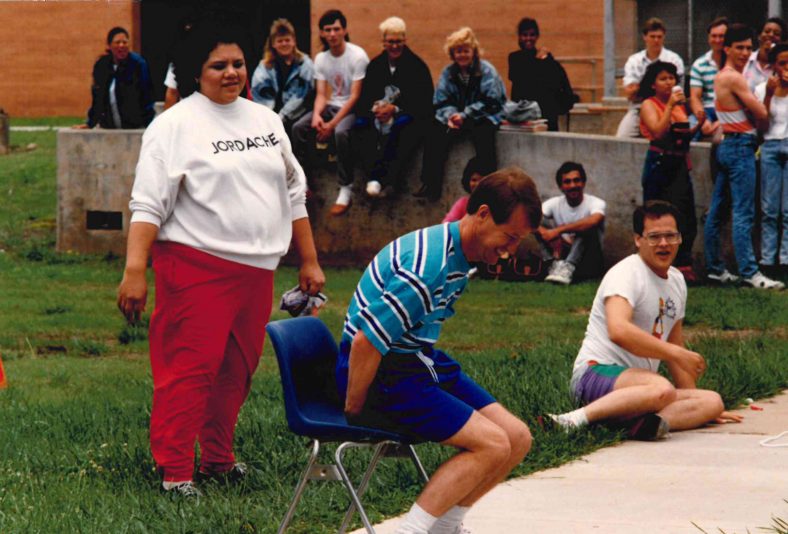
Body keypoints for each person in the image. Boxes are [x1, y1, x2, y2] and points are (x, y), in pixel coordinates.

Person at [117, 17, 326, 497]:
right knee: (189, 371)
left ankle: (217, 459)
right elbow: (148, 205)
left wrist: (309, 260)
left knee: (236, 371)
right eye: (218, 66)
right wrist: (134, 271)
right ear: (195, 71)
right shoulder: (172, 127)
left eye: (238, 63)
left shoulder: (265, 120)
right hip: (194, 268)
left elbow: (294, 193)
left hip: (257, 272)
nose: (231, 73)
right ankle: (176, 472)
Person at [338, 168, 539, 534]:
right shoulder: (428, 267)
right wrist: (355, 408)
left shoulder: (461, 252)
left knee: (517, 438)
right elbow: (366, 342)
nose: (511, 252)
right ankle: (410, 531)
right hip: (382, 369)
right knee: (493, 444)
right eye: (509, 237)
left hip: (414, 358)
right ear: (481, 215)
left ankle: (446, 526)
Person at [548, 201, 742, 438]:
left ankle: (640, 425)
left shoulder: (677, 281)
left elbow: (676, 344)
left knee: (711, 401)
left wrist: (696, 406)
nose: (663, 244)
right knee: (661, 388)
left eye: (670, 236)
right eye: (654, 236)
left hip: (640, 387)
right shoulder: (627, 273)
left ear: (680, 238)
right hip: (595, 374)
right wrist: (675, 353)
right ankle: (574, 419)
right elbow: (618, 330)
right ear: (638, 239)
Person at [705, 24, 784, 290]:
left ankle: (715, 268)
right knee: (743, 212)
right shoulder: (734, 78)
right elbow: (762, 113)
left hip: (730, 144)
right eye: (739, 47)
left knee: (717, 211)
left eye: (748, 48)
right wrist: (770, 93)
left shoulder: (723, 75)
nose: (745, 52)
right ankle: (750, 272)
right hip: (740, 147)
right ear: (726, 48)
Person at [414, 27, 506, 201]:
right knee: (434, 132)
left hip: (483, 115)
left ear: (473, 51)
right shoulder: (448, 73)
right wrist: (452, 115)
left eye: (466, 50)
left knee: (484, 136)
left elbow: (492, 100)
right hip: (456, 118)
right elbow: (440, 100)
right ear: (452, 53)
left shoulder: (487, 71)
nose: (462, 55)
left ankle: (489, 186)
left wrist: (465, 115)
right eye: (458, 51)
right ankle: (430, 183)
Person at [291, 9, 369, 216]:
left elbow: (355, 96)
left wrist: (332, 124)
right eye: (328, 30)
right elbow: (321, 94)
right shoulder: (321, 58)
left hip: (353, 109)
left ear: (344, 30)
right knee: (299, 127)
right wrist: (317, 115)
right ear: (323, 33)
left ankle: (346, 188)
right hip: (330, 106)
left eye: (336, 29)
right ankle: (303, 182)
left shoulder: (358, 56)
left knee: (341, 133)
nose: (333, 34)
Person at [351, 16, 433, 198]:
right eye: (390, 42)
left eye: (398, 41)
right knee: (359, 126)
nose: (394, 46)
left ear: (405, 41)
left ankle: (388, 180)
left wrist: (394, 109)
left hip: (406, 117)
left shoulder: (417, 67)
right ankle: (372, 176)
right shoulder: (375, 66)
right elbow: (365, 98)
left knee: (401, 126)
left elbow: (423, 102)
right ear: (383, 42)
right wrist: (376, 109)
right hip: (378, 115)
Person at [638, 61, 703, 282]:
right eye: (663, 79)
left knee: (684, 215)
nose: (669, 83)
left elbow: (682, 136)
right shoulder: (649, 104)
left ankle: (683, 265)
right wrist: (668, 107)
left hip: (678, 163)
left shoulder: (680, 106)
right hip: (659, 163)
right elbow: (657, 132)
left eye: (672, 78)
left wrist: (698, 125)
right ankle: (652, 265)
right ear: (653, 84)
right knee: (656, 215)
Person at [538, 161, 605, 285]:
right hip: (563, 251)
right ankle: (553, 265)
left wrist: (557, 231)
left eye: (576, 180)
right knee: (539, 222)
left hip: (588, 259)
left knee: (587, 226)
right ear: (561, 186)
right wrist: (550, 235)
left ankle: (568, 266)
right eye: (567, 182)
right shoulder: (555, 203)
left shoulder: (596, 203)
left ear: (583, 182)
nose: (573, 185)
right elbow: (530, 218)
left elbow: (594, 220)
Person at [74, 26, 154, 129]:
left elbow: (147, 95)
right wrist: (90, 123)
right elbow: (98, 96)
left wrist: (148, 124)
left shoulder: (138, 64)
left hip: (134, 125)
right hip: (109, 125)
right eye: (117, 42)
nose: (121, 45)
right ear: (109, 46)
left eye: (124, 42)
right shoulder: (102, 65)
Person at [616, 18, 684, 139]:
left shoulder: (674, 59)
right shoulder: (634, 60)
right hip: (638, 108)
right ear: (645, 37)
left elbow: (678, 91)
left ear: (664, 37)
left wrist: (641, 86)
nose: (656, 40)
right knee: (622, 137)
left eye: (659, 37)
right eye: (652, 36)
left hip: (668, 107)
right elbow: (630, 93)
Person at [755, 42, 788, 276]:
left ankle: (785, 258)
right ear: (774, 65)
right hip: (770, 146)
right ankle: (767, 259)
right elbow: (761, 124)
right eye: (783, 63)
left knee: (787, 209)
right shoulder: (761, 88)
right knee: (769, 208)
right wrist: (767, 94)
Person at [507, 17, 575, 131]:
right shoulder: (514, 58)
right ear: (519, 36)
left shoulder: (547, 58)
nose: (528, 38)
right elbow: (522, 77)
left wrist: (546, 60)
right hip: (524, 113)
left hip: (545, 113)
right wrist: (539, 62)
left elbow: (555, 81)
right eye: (524, 35)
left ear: (537, 36)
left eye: (532, 35)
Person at [251, 18, 314, 134]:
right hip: (271, 116)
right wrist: (271, 119)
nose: (284, 44)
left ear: (294, 41)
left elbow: (301, 96)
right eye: (280, 41)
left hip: (297, 114)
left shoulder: (305, 64)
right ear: (273, 44)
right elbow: (260, 95)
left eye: (287, 40)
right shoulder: (264, 66)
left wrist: (281, 117)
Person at [689, 17, 728, 140]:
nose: (717, 40)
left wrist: (721, 122)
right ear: (708, 38)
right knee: (689, 128)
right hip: (707, 109)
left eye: (721, 36)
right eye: (714, 36)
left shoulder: (737, 63)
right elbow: (695, 97)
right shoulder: (700, 64)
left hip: (730, 111)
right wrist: (703, 120)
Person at [442, 156, 494, 223]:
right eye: (474, 180)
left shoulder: (496, 204)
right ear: (468, 181)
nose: (478, 184)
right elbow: (446, 225)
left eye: (482, 180)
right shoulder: (463, 204)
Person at [743, 17, 786, 91]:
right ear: (759, 36)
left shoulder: (784, 65)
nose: (771, 35)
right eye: (767, 31)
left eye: (777, 34)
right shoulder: (745, 60)